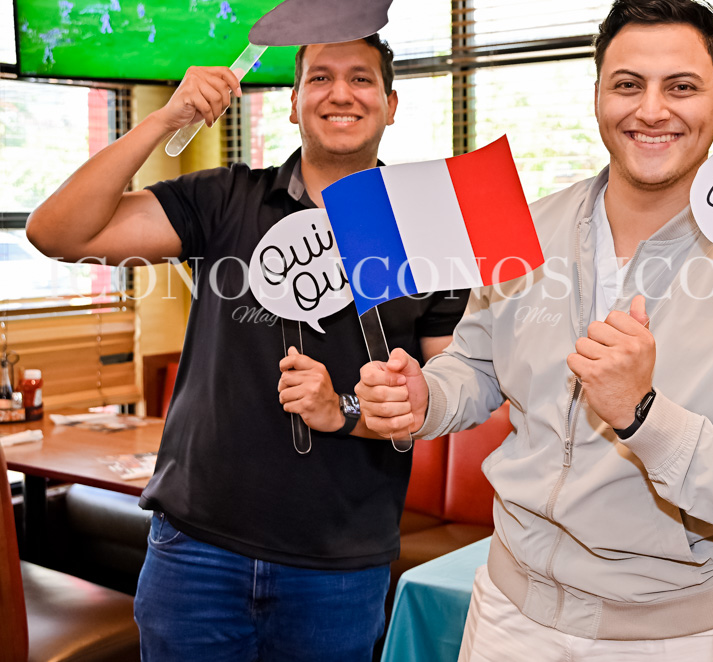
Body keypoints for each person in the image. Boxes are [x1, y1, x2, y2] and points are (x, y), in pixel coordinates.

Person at [356, 0, 713, 661]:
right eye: (627, 84)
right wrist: (426, 397)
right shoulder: (524, 226)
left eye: (681, 87)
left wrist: (645, 415)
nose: (651, 109)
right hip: (508, 614)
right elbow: (476, 367)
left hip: (671, 637)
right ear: (597, 97)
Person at [26, 34, 467, 661]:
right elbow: (56, 233)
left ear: (391, 104)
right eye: (319, 78)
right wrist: (164, 119)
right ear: (292, 103)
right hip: (195, 552)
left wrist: (344, 410)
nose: (340, 93)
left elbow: (444, 394)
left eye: (361, 79)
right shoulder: (226, 198)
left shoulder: (423, 223)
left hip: (338, 565)